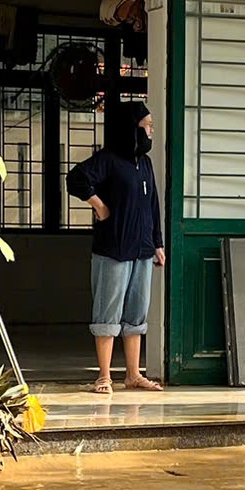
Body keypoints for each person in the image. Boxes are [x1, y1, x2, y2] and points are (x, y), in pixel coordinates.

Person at [68, 98, 164, 394]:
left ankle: (134, 375)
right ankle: (104, 376)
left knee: (136, 314)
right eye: (147, 126)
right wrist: (98, 205)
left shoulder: (144, 163)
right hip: (113, 250)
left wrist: (157, 243)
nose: (150, 132)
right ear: (131, 128)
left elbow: (153, 206)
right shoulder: (108, 159)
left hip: (142, 250)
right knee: (107, 313)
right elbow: (76, 178)